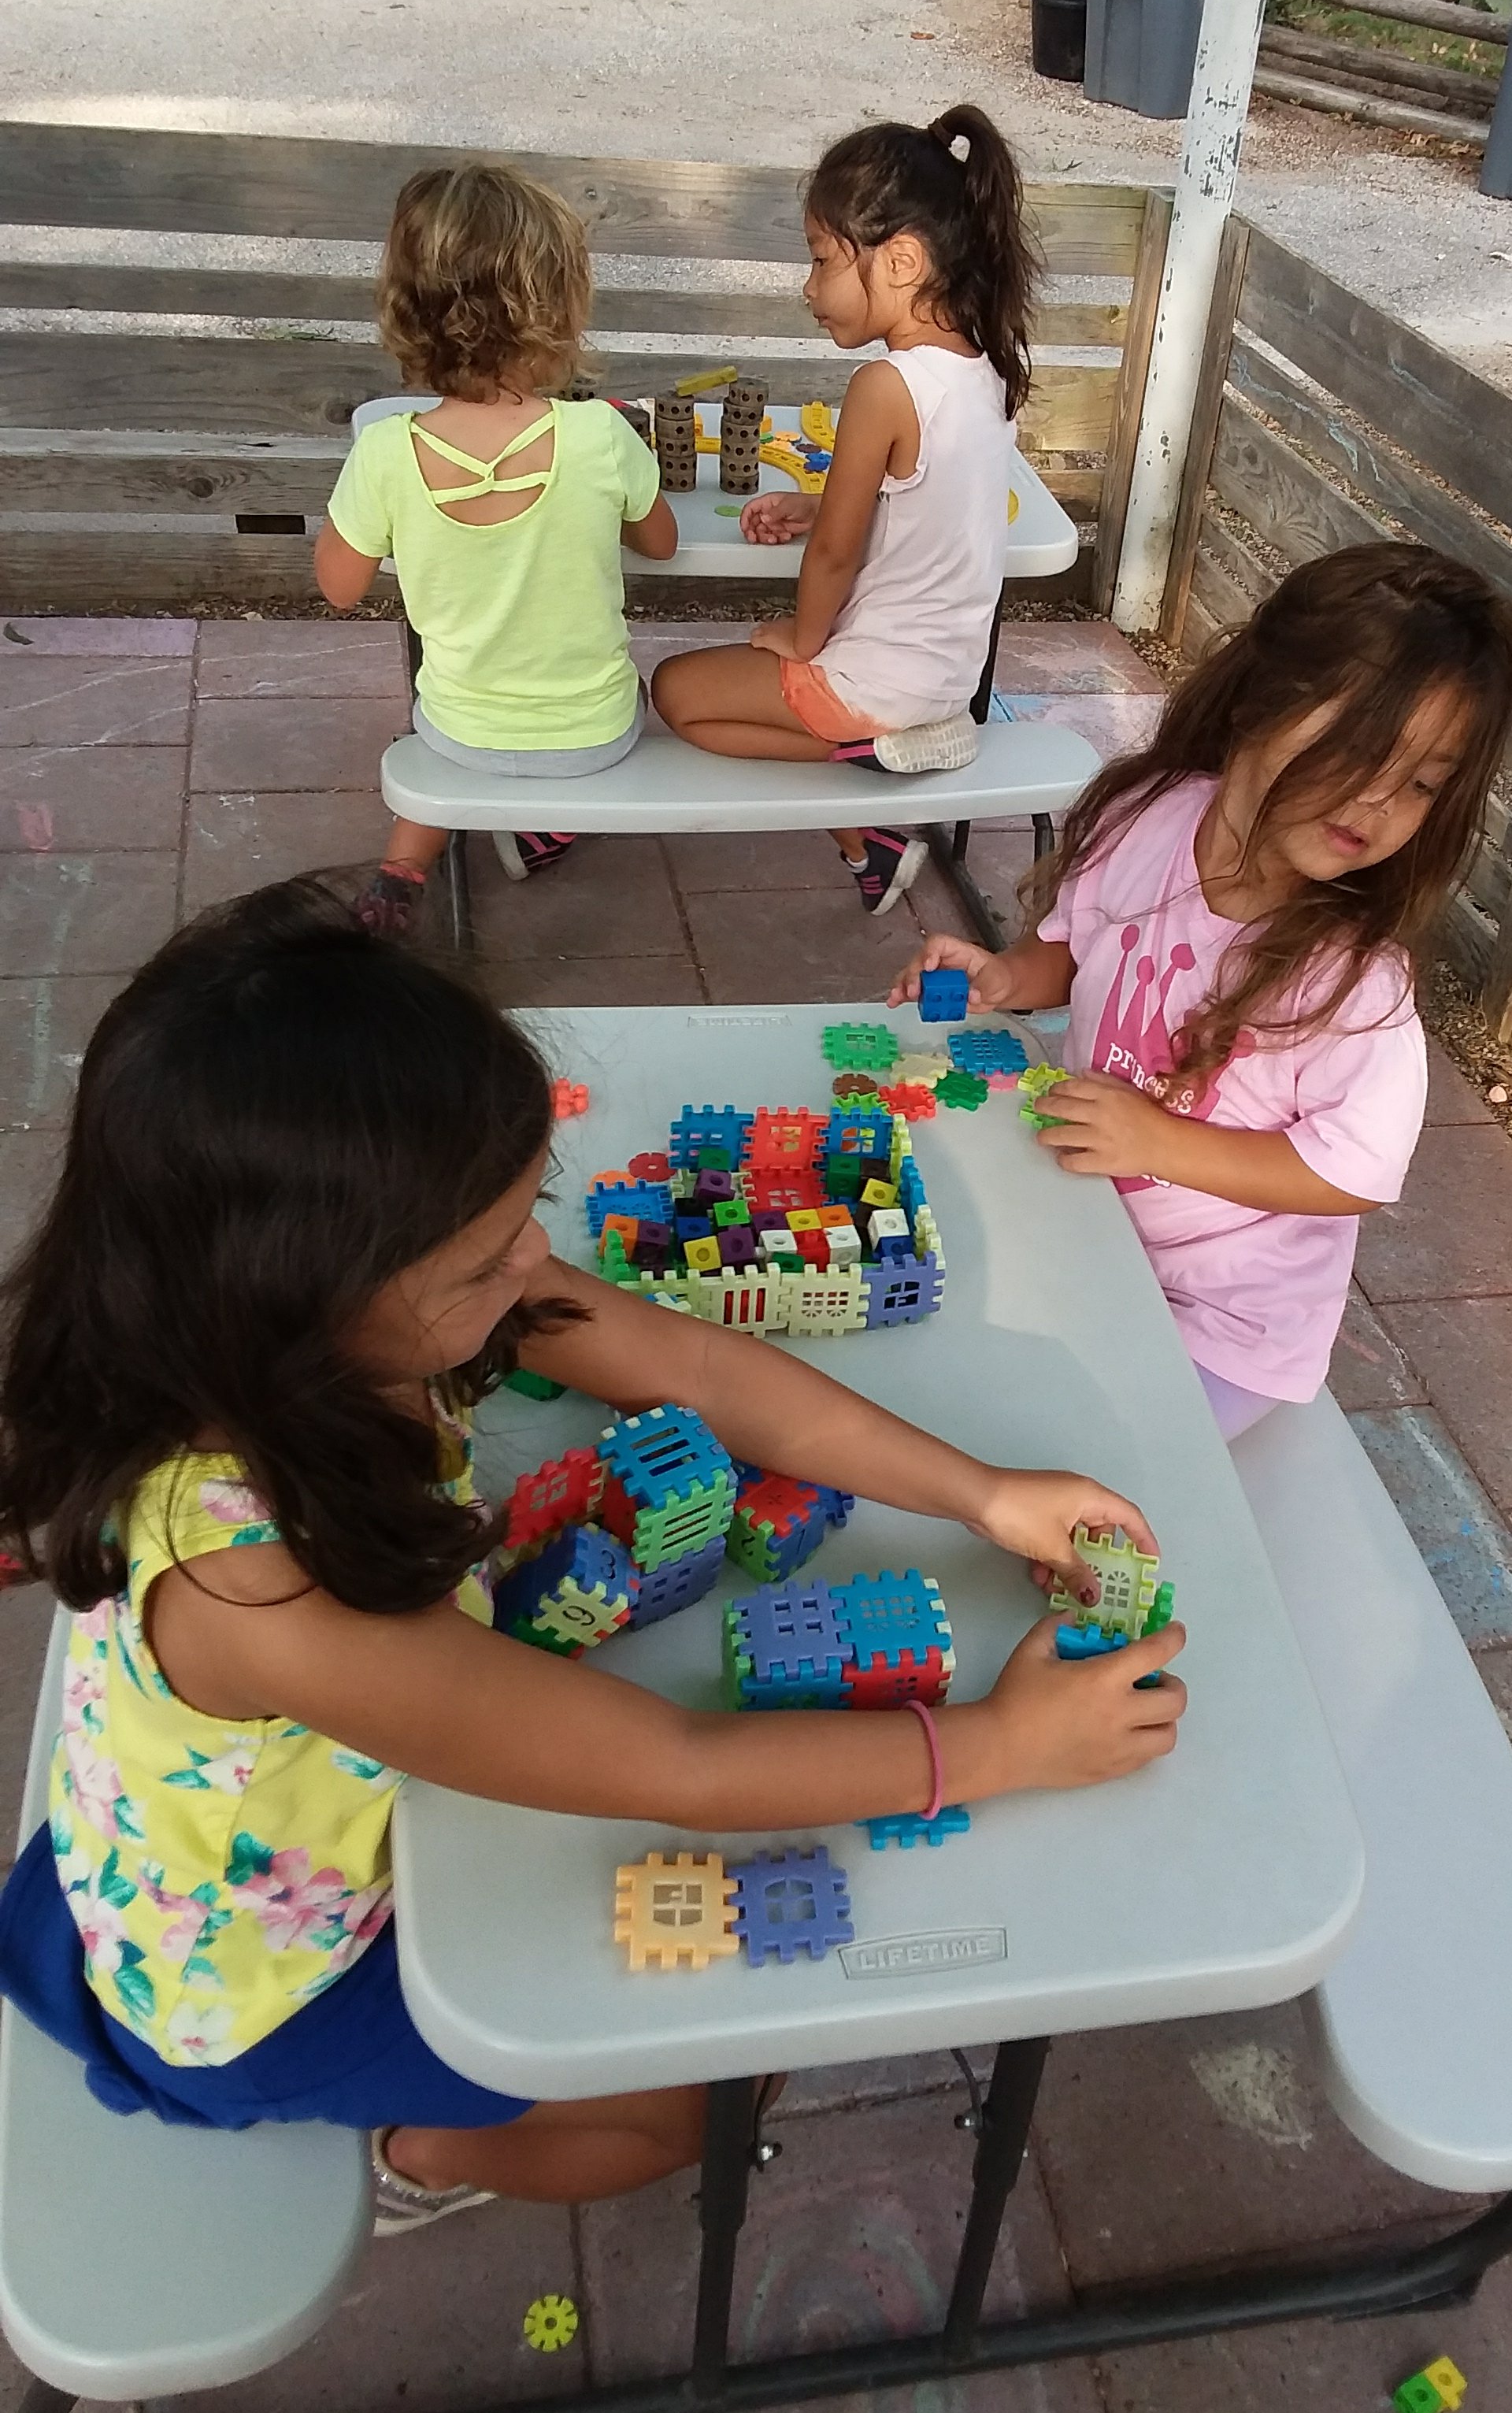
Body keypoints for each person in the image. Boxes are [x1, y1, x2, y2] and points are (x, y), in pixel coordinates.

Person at [0, 882, 1182, 2231]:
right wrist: (1002, 1748)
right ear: (302, 1287)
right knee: (697, 2103)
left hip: (233, 1815)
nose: (533, 1257)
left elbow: (691, 1364)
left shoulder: (311, 1327)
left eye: (525, 1212)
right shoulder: (260, 1591)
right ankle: (414, 2158)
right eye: (483, 1257)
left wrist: (982, 1494)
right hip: (265, 1983)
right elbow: (680, 1765)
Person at [891, 545, 1512, 1440]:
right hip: (1088, 1219)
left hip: (1223, 1325)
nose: (1378, 802)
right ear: (1259, 702)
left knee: (1084, 1459)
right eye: (1357, 750)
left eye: (1422, 783)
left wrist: (1158, 1141)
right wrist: (1003, 979)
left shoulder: (1354, 980)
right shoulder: (1146, 816)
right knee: (930, 1368)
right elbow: (1066, 951)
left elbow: (1352, 1173)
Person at [650, 105, 1039, 918]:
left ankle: (866, 781)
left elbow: (833, 553)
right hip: (949, 678)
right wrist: (819, 499)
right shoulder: (989, 372)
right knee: (727, 691)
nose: (809, 288)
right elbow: (929, 499)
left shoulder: (884, 386)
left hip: (876, 683)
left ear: (901, 261)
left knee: (675, 692)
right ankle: (872, 780)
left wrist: (802, 639)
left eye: (823, 259)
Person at [314, 164, 679, 940]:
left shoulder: (386, 451)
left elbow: (339, 587)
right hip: (594, 738)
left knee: (452, 728)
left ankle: (404, 869)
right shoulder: (599, 435)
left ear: (407, 307)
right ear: (560, 308)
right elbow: (662, 541)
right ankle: (548, 822)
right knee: (635, 693)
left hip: (459, 732)